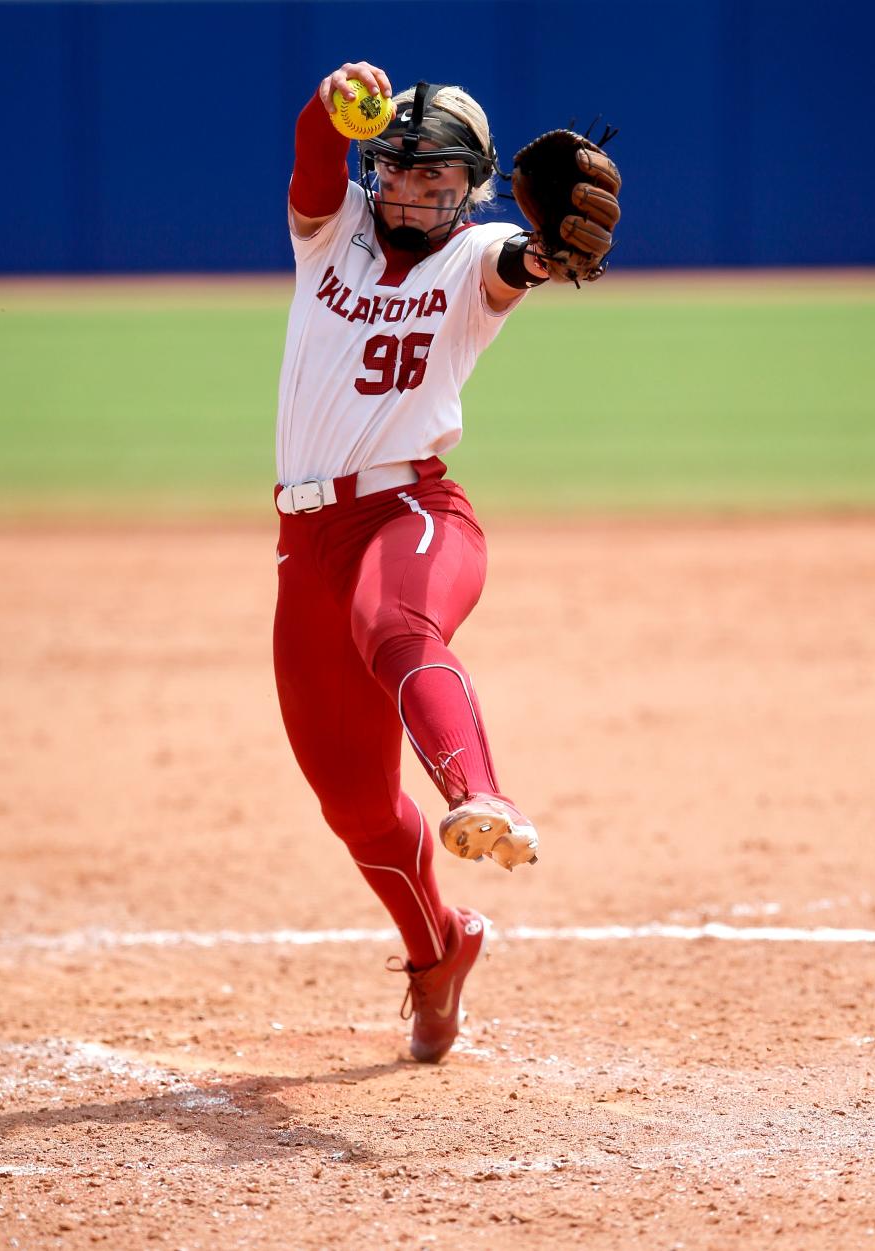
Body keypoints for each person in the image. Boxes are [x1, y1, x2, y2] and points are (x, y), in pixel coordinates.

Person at [273, 60, 571, 1064]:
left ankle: (480, 795)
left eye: (440, 178)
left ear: (472, 188)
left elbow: (516, 265)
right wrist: (329, 98)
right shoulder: (332, 230)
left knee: (397, 626)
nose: (415, 191)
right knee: (351, 803)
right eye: (400, 169)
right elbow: (318, 154)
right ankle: (438, 951)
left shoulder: (479, 251)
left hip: (412, 511)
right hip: (304, 545)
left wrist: (543, 257)